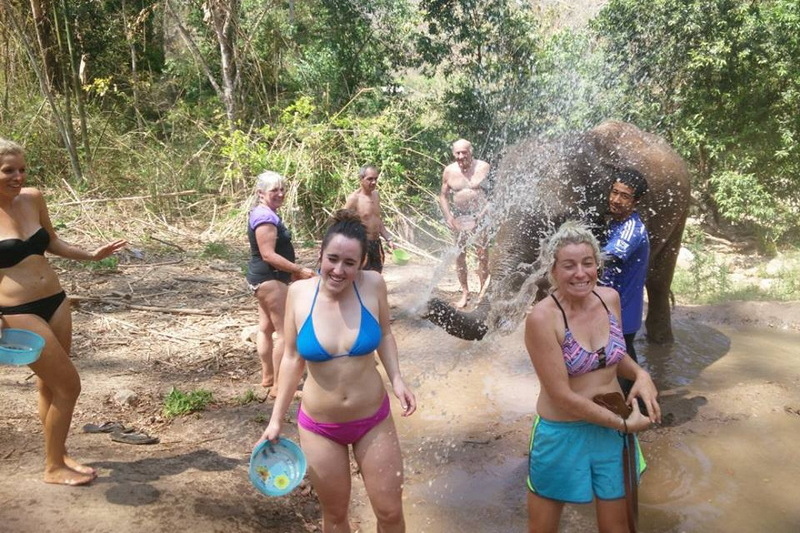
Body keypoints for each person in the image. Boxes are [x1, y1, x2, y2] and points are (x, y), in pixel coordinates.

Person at [260, 209, 416, 533]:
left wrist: (397, 379)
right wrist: (276, 420)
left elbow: (385, 333)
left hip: (373, 419)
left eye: (349, 263)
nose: (338, 270)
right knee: (335, 517)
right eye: (332, 259)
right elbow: (291, 358)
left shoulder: (373, 285)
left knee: (389, 512)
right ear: (321, 253)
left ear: (361, 264)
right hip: (320, 428)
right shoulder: (300, 295)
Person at [0, 138, 127, 486]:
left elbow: (51, 241)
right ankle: (52, 467)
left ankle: (58, 452)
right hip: (16, 311)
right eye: (8, 170)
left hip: (55, 300)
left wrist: (91, 254)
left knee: (50, 385)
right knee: (69, 385)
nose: (18, 176)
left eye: (22, 169)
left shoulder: (33, 198)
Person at [524, 220, 661, 532]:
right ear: (553, 270)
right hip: (563, 433)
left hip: (612, 428)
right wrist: (625, 424)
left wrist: (641, 374)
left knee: (618, 528)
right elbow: (561, 395)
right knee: (542, 529)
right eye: (569, 265)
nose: (580, 273)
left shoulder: (608, 298)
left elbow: (613, 354)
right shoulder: (543, 318)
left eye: (588, 263)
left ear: (597, 265)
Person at [246, 171, 315, 395]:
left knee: (265, 329)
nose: (280, 193)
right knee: (286, 334)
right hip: (270, 279)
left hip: (263, 279)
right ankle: (279, 386)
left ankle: (268, 377)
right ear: (260, 193)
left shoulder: (264, 213)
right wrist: (298, 270)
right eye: (274, 190)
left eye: (282, 189)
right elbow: (268, 254)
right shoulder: (265, 217)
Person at [600, 168, 650, 395]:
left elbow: (607, 259)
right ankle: (639, 410)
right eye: (614, 192)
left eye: (624, 196)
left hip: (623, 313)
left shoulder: (631, 229)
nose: (616, 200)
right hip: (612, 311)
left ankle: (633, 417)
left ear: (636, 201)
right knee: (621, 364)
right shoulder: (615, 223)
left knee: (622, 369)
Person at [438, 139, 491, 308]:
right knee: (459, 256)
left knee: (482, 256)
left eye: (464, 152)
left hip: (480, 217)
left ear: (471, 151)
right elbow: (443, 196)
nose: (461, 156)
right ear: (453, 154)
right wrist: (449, 217)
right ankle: (465, 293)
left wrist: (480, 218)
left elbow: (493, 197)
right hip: (459, 218)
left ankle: (483, 293)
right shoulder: (449, 171)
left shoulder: (483, 167)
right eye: (457, 153)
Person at [343, 164, 395, 273]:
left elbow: (377, 219)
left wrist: (388, 238)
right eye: (370, 179)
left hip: (376, 244)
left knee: (376, 275)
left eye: (376, 179)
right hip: (362, 244)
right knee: (361, 277)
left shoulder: (376, 195)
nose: (374, 182)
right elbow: (341, 223)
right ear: (361, 179)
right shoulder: (354, 199)